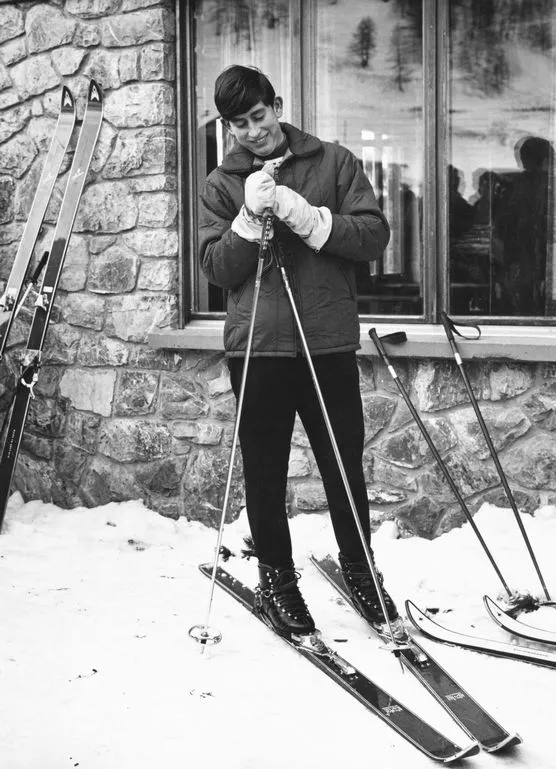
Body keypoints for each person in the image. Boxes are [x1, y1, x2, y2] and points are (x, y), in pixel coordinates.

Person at [199, 64, 398, 639]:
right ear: (227, 126)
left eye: (259, 116)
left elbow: (373, 236)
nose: (253, 131)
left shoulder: (333, 163)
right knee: (264, 472)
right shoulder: (221, 184)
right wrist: (244, 220)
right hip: (258, 347)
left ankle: (361, 571)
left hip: (327, 341)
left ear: (277, 105)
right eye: (239, 124)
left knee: (342, 466)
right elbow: (216, 268)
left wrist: (308, 217)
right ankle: (278, 580)